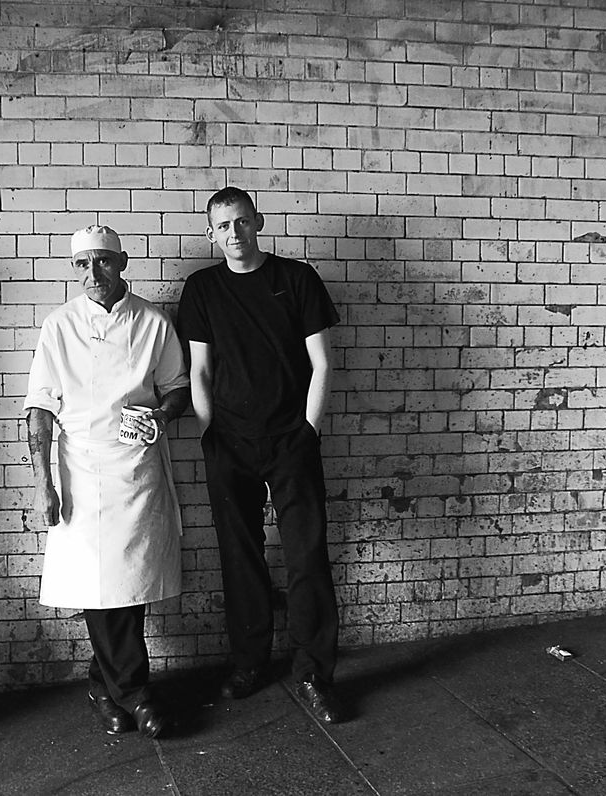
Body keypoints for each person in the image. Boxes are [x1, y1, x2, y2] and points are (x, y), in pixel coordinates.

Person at [176, 187, 345, 724]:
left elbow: (322, 364)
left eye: (243, 222)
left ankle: (315, 672)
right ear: (211, 233)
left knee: (306, 556)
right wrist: (210, 436)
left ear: (260, 223)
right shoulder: (202, 289)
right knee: (240, 556)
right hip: (229, 441)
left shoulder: (296, 279)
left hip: (291, 440)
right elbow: (199, 372)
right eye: (223, 226)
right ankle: (250, 662)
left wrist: (307, 432)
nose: (234, 233)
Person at [25, 225, 190, 739]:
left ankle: (105, 684)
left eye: (103, 262)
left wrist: (161, 416)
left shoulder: (153, 322)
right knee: (98, 589)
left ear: (123, 261)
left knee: (130, 584)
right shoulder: (59, 325)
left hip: (136, 468)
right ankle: (135, 694)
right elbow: (39, 409)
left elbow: (179, 387)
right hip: (80, 467)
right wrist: (42, 482)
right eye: (82, 265)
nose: (93, 274)